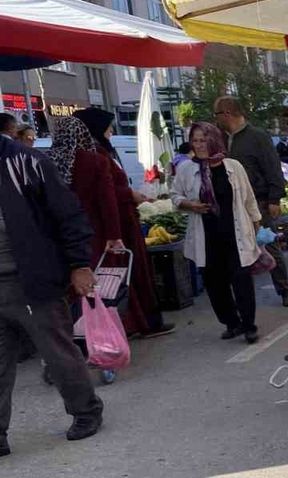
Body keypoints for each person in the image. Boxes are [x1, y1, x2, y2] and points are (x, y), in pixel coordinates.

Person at [0, 129, 105, 456]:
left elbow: (69, 215)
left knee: (57, 353)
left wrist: (79, 264)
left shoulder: (27, 162)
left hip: (31, 279)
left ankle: (86, 411)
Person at [73, 107, 174, 338]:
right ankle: (135, 323)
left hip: (120, 221)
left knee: (129, 273)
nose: (111, 132)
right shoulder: (93, 156)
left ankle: (141, 320)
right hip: (113, 225)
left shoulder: (99, 152)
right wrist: (130, 197)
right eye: (107, 127)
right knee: (122, 275)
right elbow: (105, 194)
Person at [173, 122, 263, 344]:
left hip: (235, 232)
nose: (200, 145)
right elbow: (174, 196)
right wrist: (189, 204)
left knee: (241, 280)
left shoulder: (232, 166)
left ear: (214, 139)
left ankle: (249, 325)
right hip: (206, 235)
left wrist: (256, 220)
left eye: (204, 140)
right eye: (195, 141)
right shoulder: (186, 169)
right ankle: (231, 322)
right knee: (215, 284)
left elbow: (248, 197)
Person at [214, 96, 288, 307]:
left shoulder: (257, 136)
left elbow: (272, 167)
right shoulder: (223, 138)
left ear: (227, 113)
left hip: (258, 200)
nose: (215, 119)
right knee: (237, 247)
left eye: (216, 114)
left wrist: (274, 198)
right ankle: (244, 294)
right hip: (231, 202)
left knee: (267, 243)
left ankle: (285, 288)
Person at [49, 117, 124, 263]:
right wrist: (114, 234)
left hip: (60, 234)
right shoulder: (96, 161)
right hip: (92, 230)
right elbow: (107, 201)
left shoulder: (46, 160)